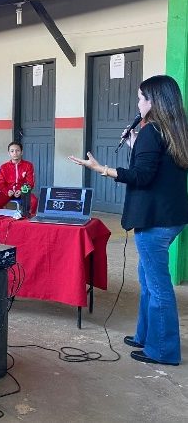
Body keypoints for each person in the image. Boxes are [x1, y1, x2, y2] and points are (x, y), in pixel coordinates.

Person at [69, 75, 188, 366]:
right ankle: (146, 336)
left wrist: (102, 169)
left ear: (153, 101)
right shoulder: (176, 130)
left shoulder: (152, 131)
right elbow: (158, 168)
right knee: (147, 279)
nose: (138, 104)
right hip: (172, 216)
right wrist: (136, 144)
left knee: (157, 286)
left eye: (140, 98)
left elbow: (142, 176)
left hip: (154, 220)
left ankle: (164, 351)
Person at [0, 141, 38, 211]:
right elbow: (0, 183)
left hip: (23, 192)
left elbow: (30, 183)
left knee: (34, 201)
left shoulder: (28, 165)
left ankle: (29, 217)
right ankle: (1, 218)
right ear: (9, 153)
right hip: (7, 192)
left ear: (22, 152)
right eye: (12, 151)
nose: (15, 153)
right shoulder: (3, 167)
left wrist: (22, 191)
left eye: (17, 150)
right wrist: (7, 191)